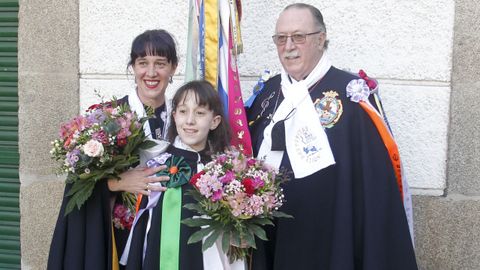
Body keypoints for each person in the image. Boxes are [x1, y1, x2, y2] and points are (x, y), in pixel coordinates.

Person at [246, 3, 418, 270]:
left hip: (331, 238)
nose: (288, 46)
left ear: (320, 38)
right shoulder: (266, 94)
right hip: (271, 235)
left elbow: (374, 186)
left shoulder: (352, 96)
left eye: (298, 37)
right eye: (281, 38)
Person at [47, 29, 178, 270]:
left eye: (160, 63)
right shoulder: (107, 119)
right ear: (133, 67)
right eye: (143, 63)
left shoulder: (184, 118)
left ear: (173, 68)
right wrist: (116, 183)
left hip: (169, 239)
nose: (151, 73)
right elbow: (76, 186)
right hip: (117, 240)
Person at [121, 80, 233, 270]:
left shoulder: (224, 172)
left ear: (215, 121)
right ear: (174, 116)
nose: (190, 120)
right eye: (183, 111)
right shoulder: (159, 167)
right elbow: (146, 233)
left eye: (200, 113)